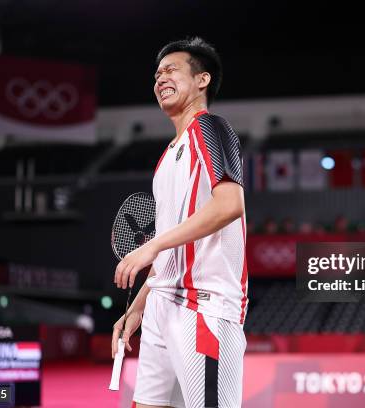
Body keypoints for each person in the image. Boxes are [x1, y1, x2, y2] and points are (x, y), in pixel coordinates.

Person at [112, 37, 247, 408]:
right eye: (157, 74)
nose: (160, 78)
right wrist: (138, 305)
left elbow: (230, 204)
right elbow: (174, 243)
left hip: (203, 307)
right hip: (162, 305)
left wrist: (151, 245)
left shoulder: (211, 128)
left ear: (202, 80)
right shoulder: (167, 156)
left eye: (170, 69)